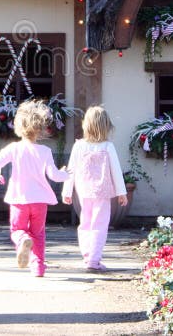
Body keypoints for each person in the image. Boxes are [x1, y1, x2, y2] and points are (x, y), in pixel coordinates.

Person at [0, 99, 70, 277]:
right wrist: (67, 173)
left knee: (17, 230)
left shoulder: (14, 148)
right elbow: (55, 176)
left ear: (18, 126)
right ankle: (38, 267)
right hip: (40, 201)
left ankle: (23, 240)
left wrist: (0, 165)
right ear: (40, 129)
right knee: (38, 234)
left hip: (19, 199)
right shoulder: (45, 152)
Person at [61, 105, 127, 272]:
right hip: (102, 192)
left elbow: (71, 169)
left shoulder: (79, 146)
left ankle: (87, 256)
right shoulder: (107, 147)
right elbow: (116, 171)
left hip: (84, 192)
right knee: (100, 225)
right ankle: (94, 259)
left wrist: (67, 191)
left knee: (85, 223)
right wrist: (122, 193)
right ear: (106, 126)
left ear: (86, 125)